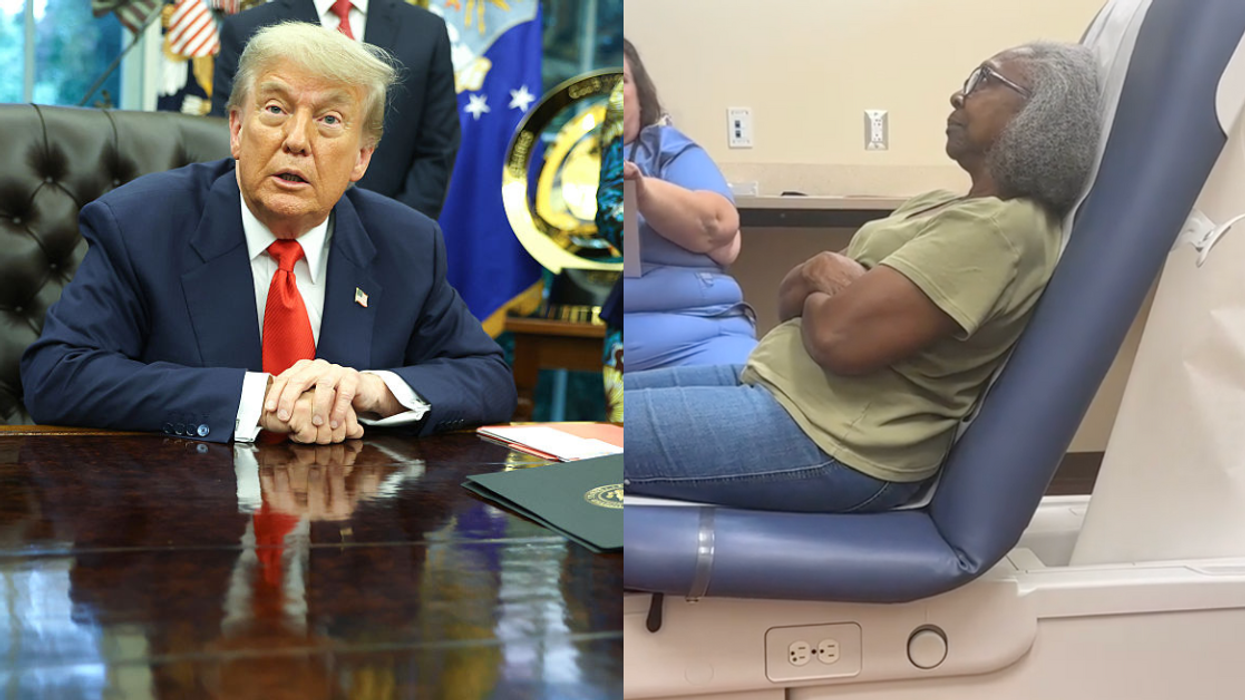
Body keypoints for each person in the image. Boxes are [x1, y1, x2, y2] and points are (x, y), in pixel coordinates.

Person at [625, 42, 1102, 513]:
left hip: (833, 442)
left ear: (1037, 119)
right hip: (783, 389)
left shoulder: (1003, 228)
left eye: (984, 80)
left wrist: (820, 280)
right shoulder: (938, 204)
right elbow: (787, 299)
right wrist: (818, 277)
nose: (959, 96)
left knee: (562, 445)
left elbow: (838, 340)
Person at [20, 21, 515, 445]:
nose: (296, 141)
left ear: (362, 157)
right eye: (275, 110)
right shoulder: (139, 224)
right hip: (185, 526)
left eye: (329, 120)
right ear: (236, 129)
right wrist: (258, 401)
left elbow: (488, 378)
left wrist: (371, 390)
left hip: (345, 535)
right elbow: (58, 375)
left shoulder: (407, 242)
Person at [211, 0, 460, 220]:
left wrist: (395, 231)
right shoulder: (248, 27)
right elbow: (225, 140)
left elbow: (436, 150)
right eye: (277, 109)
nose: (297, 139)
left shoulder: (426, 30)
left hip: (388, 237)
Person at [623, 38, 756, 372]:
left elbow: (718, 226)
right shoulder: (559, 168)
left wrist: (641, 191)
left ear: (640, 97)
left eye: (620, 80)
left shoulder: (665, 151)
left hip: (698, 340)